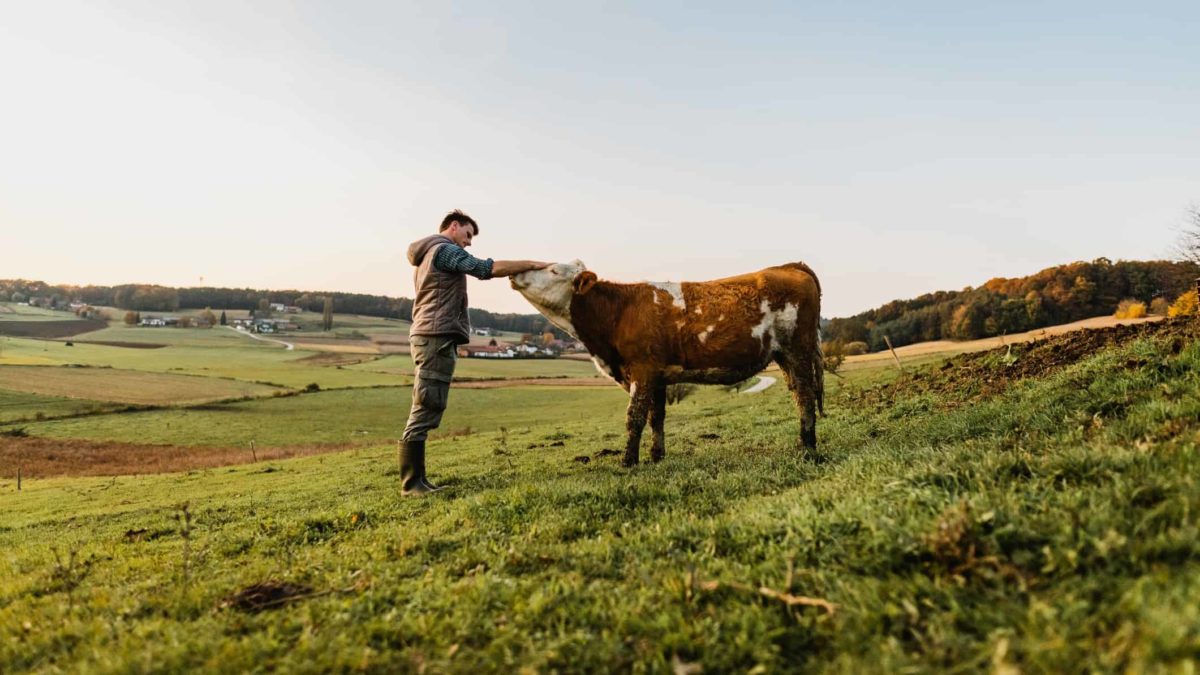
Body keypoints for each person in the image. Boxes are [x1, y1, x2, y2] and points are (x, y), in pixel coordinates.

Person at [401, 210, 548, 496]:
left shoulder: (430, 254)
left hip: (432, 335)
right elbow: (484, 268)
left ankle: (418, 479)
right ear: (453, 227)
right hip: (434, 336)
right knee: (426, 403)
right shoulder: (443, 250)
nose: (468, 243)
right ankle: (411, 483)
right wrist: (531, 264)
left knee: (430, 402)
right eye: (467, 235)